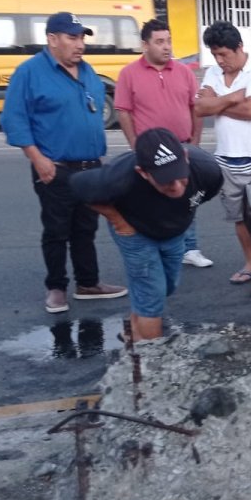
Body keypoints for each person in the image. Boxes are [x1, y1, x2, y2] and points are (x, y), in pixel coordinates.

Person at [2, 12, 126, 314]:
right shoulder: (30, 73)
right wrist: (38, 159)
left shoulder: (87, 71)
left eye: (82, 38)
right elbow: (14, 120)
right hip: (54, 167)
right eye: (72, 38)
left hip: (90, 166)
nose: (80, 44)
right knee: (57, 230)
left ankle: (88, 283)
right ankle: (56, 288)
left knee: (86, 228)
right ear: (52, 39)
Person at [69, 128, 223, 342]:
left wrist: (181, 213)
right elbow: (78, 187)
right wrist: (118, 221)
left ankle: (132, 331)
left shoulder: (208, 170)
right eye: (166, 181)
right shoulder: (117, 177)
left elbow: (202, 196)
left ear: (186, 158)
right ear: (143, 172)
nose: (177, 187)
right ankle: (151, 359)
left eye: (180, 176)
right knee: (151, 293)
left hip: (175, 231)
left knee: (166, 286)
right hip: (134, 232)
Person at [113, 19, 212, 269]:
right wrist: (135, 145)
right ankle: (156, 248)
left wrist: (195, 142)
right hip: (150, 153)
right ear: (145, 45)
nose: (166, 47)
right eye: (159, 42)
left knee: (186, 199)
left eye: (168, 41)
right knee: (151, 201)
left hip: (182, 147)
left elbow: (195, 108)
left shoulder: (184, 73)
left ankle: (190, 248)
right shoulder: (129, 74)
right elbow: (124, 111)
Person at [195, 21, 251, 299]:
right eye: (215, 55)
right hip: (227, 157)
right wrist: (233, 96)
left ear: (239, 48)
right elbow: (199, 107)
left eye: (224, 55)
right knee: (238, 218)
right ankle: (250, 261)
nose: (220, 61)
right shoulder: (213, 72)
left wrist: (218, 103)